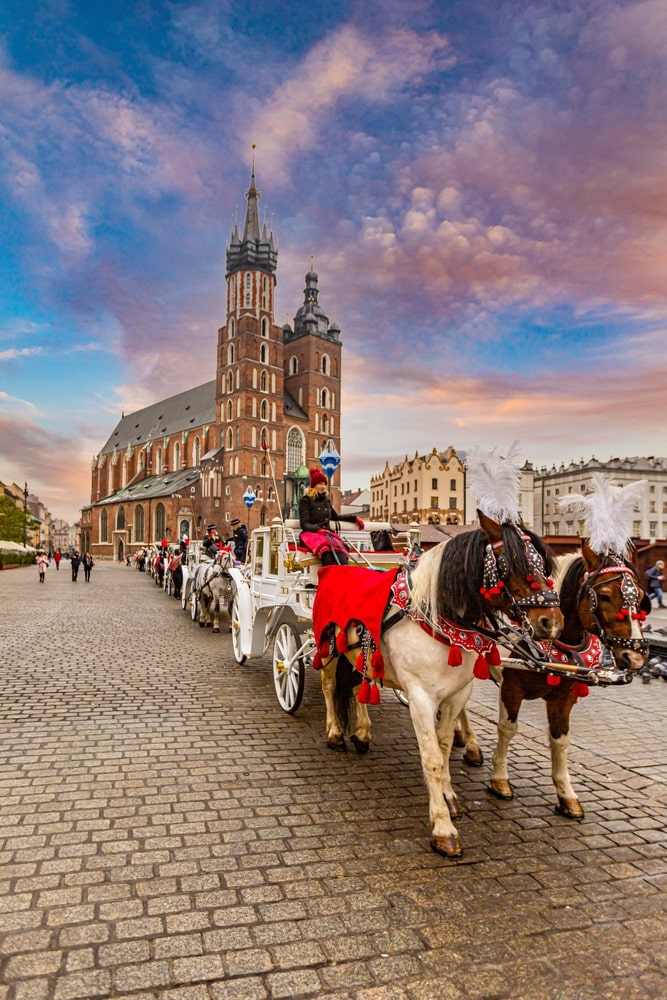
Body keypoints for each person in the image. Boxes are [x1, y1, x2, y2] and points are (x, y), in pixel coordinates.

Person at [298, 467, 364, 566]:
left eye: (324, 484)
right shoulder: (305, 501)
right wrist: (318, 530)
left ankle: (344, 578)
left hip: (326, 535)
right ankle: (329, 579)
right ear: (314, 486)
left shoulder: (326, 500)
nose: (323, 487)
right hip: (311, 535)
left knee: (341, 555)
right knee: (327, 555)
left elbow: (335, 516)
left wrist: (354, 518)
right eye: (320, 484)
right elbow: (304, 524)